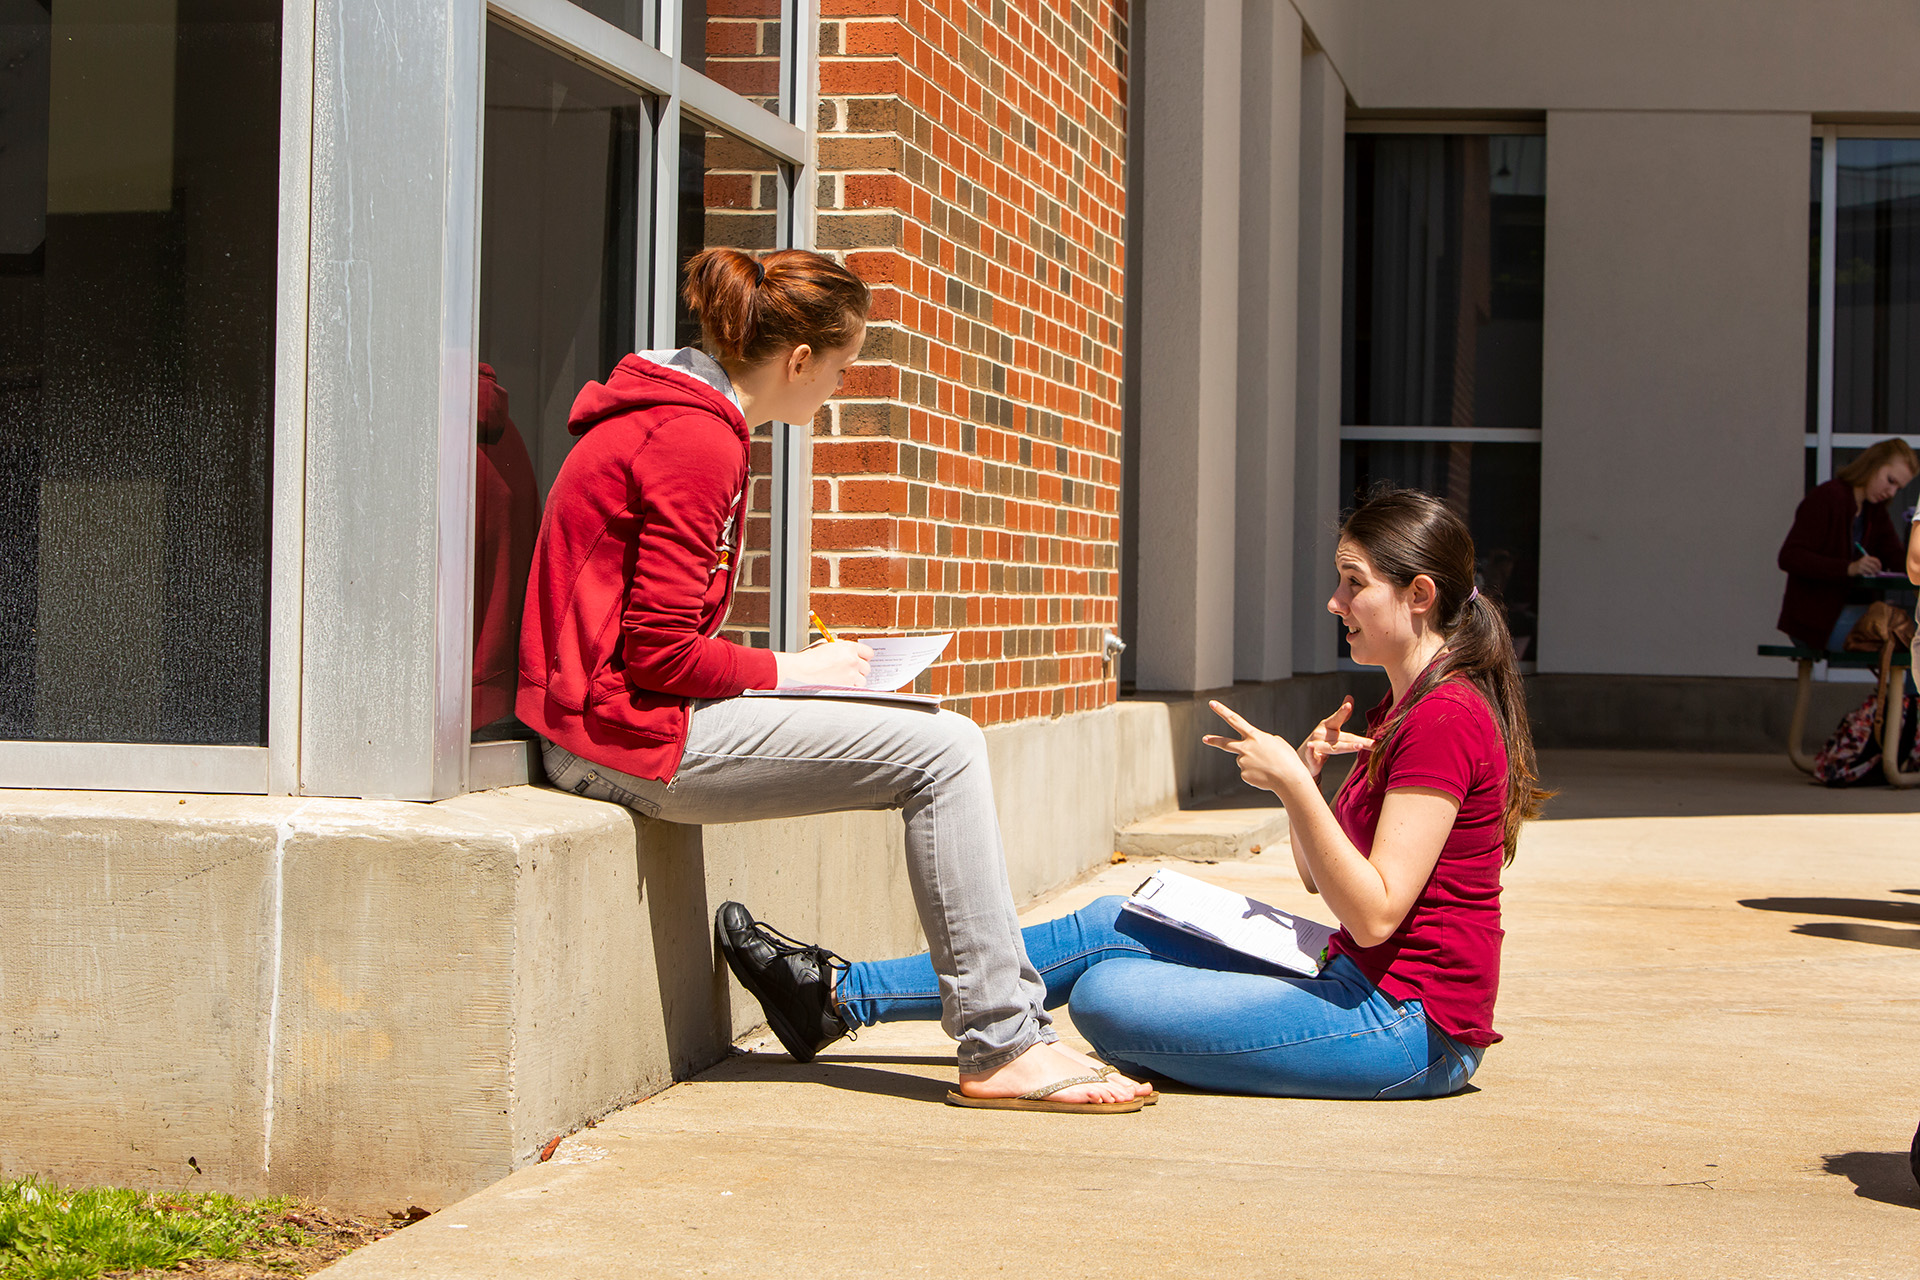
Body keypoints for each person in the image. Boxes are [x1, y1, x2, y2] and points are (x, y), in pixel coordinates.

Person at [519, 246, 1148, 1114]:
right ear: (800, 359)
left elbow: (652, 643)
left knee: (936, 738)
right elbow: (657, 655)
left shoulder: (681, 417)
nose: (841, 387)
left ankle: (1000, 1034)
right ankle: (1003, 1044)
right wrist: (793, 669)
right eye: (844, 366)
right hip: (613, 739)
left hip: (609, 721)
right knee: (948, 749)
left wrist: (795, 681)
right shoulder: (695, 439)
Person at [726, 488, 1549, 1100]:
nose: (1336, 603)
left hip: (1406, 1028)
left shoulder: (1447, 717)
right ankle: (834, 996)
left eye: (1352, 582)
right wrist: (1308, 782)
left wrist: (1297, 787)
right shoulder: (1406, 703)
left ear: (1419, 595)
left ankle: (888, 1010)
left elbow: (1374, 913)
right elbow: (1321, 881)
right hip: (1360, 977)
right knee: (1116, 923)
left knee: (1112, 993)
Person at [1777, 438, 1917, 651]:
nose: (1891, 493)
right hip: (1816, 621)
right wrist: (1848, 568)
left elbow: (1897, 557)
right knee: (1909, 634)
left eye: (1898, 487)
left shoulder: (1874, 511)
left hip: (1850, 614)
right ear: (1872, 464)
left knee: (1910, 631)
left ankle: (1904, 685)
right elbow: (1790, 556)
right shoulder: (1827, 498)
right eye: (1890, 480)